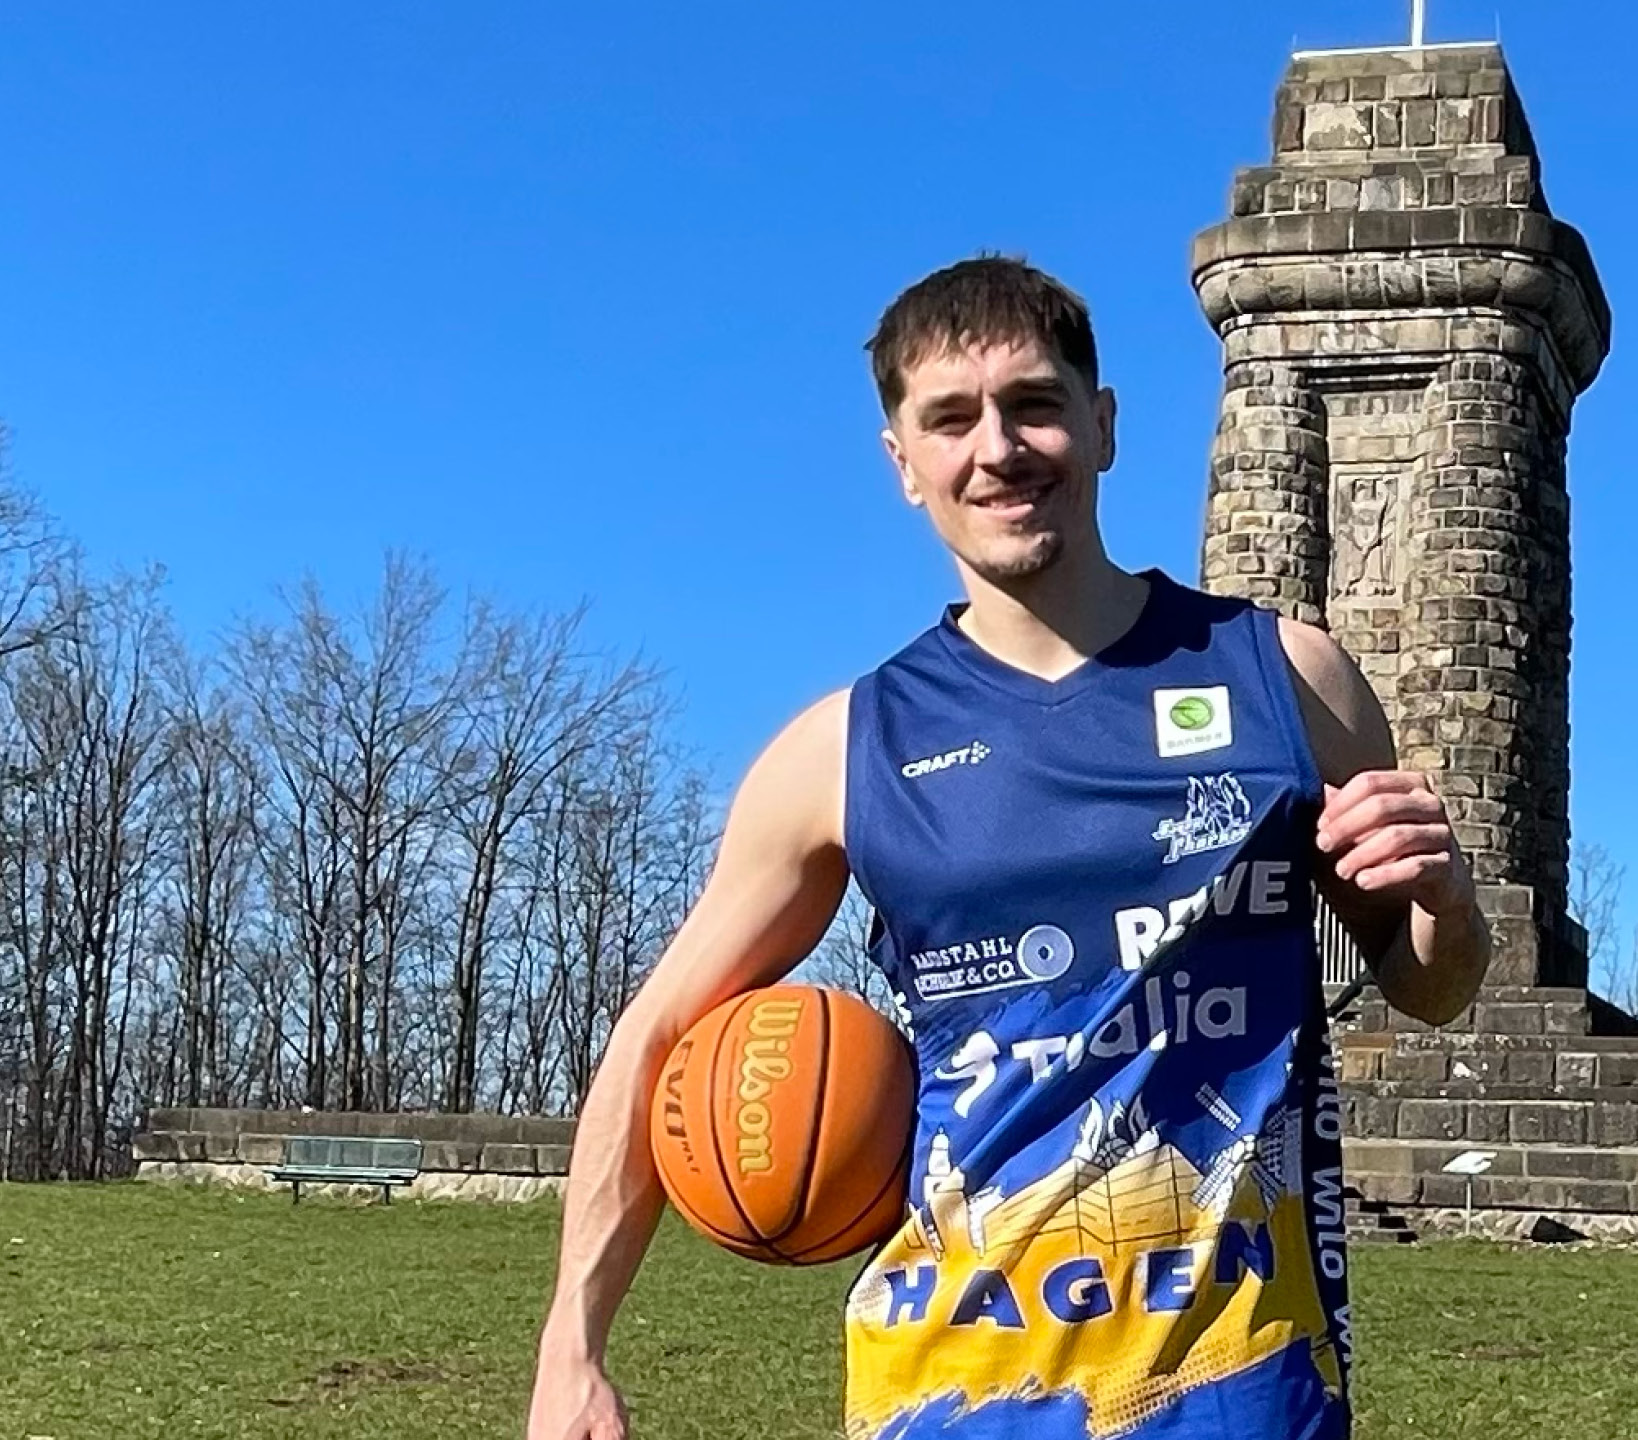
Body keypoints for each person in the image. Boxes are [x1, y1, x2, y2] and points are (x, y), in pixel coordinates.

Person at [525, 254, 1491, 1440]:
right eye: (950, 419)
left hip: (1238, 1388)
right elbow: (658, 1034)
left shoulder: (1288, 678)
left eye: (1033, 403)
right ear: (903, 464)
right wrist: (572, 1342)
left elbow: (1430, 984)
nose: (999, 448)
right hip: (950, 1393)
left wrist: (1444, 898)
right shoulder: (841, 750)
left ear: (1102, 424)